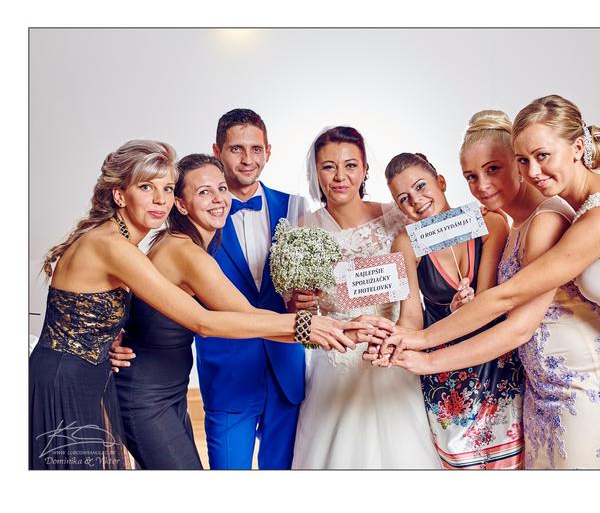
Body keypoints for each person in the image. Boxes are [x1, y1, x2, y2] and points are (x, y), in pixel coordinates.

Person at [380, 96, 600, 469]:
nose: (483, 185)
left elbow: (511, 309)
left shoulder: (584, 217)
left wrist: (424, 349)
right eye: (472, 176)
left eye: (540, 156)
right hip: (555, 385)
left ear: (578, 148)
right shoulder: (537, 219)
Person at [30, 140, 361, 470]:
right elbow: (204, 322)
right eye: (146, 187)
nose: (159, 199)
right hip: (81, 384)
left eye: (166, 188)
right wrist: (312, 327)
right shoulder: (130, 247)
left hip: (127, 384)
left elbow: (105, 310)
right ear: (120, 195)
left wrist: (110, 341)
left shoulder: (141, 244)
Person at [290, 126, 441, 469]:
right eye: (328, 167)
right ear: (316, 172)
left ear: (365, 169)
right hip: (338, 359)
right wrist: (300, 303)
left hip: (393, 348)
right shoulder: (301, 230)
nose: (340, 177)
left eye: (350, 165)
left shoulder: (398, 217)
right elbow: (298, 313)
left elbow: (443, 260)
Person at [384, 152, 524, 469]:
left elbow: (489, 299)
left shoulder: (490, 222)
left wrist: (471, 306)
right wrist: (394, 339)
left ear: (441, 182)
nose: (415, 200)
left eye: (421, 186)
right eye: (403, 198)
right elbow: (411, 316)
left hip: (497, 363)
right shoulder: (405, 243)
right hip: (446, 377)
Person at [192, 109, 310, 469]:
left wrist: (308, 299)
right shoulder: (196, 213)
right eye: (236, 149)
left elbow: (312, 286)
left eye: (256, 149)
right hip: (228, 374)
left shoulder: (295, 207)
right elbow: (162, 281)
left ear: (268, 151)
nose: (248, 159)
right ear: (217, 151)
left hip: (285, 370)